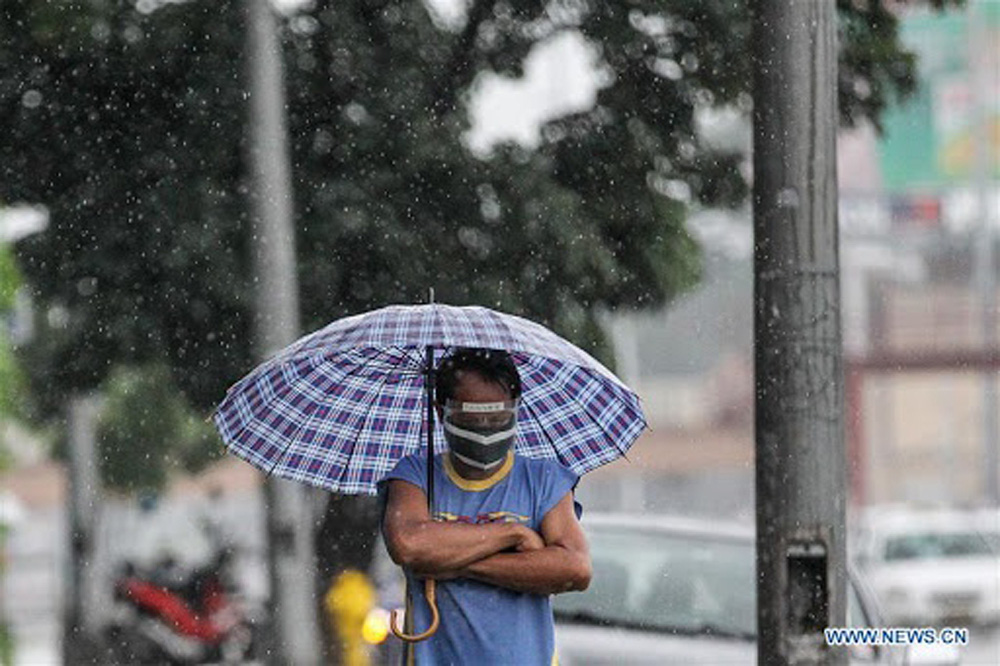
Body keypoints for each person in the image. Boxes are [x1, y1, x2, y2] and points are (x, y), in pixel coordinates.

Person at [379, 347, 591, 665]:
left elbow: (574, 568)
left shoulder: (544, 479)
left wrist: (453, 563)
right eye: (471, 420)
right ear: (441, 411)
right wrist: (514, 536)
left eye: (498, 419)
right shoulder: (415, 476)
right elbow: (409, 545)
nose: (485, 431)